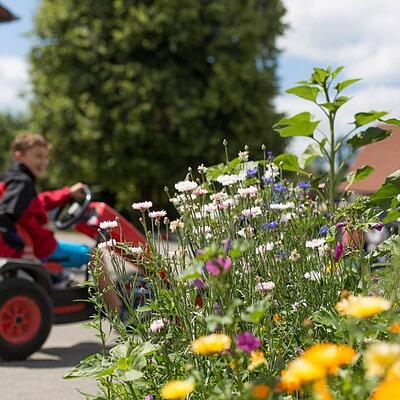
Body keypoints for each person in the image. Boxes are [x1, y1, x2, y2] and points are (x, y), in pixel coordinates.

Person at [0, 133, 123, 313]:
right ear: (19, 156)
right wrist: (18, 248)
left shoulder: (13, 180)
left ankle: (61, 280)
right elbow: (4, 215)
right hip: (41, 250)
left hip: (36, 247)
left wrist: (67, 193)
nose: (43, 162)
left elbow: (39, 203)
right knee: (94, 255)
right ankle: (118, 311)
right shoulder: (22, 183)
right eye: (38, 156)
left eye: (45, 157)